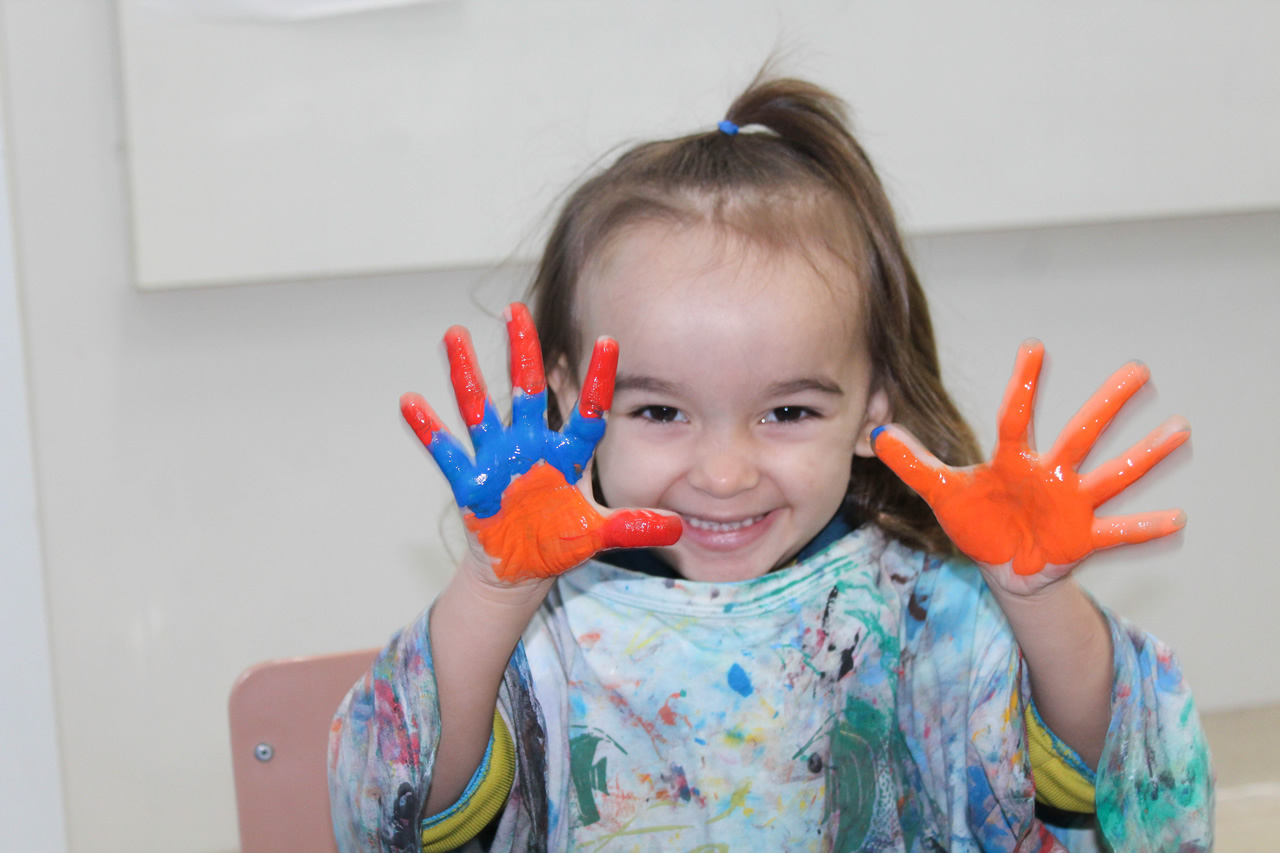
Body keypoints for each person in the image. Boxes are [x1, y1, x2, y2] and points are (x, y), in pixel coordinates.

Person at [329, 74, 1212, 852]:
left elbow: (1128, 783)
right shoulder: (543, 629)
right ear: (572, 403)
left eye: (787, 410)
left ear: (874, 410)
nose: (723, 473)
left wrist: (1037, 599)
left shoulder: (931, 608)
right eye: (661, 410)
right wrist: (491, 592)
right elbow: (389, 812)